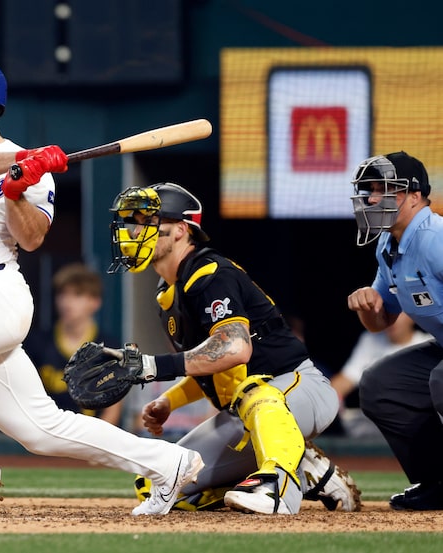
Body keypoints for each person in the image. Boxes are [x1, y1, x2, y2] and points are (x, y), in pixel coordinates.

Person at [0, 52, 201, 512]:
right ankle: (170, 462)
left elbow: (30, 238)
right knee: (41, 428)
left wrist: (15, 191)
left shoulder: (35, 176)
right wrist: (17, 161)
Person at [106, 183, 359, 515]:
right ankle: (309, 469)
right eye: (133, 222)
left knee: (255, 392)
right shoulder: (169, 291)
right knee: (161, 484)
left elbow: (235, 349)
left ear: (181, 230)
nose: (134, 231)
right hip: (245, 412)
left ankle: (277, 489)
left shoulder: (210, 273)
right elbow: (212, 363)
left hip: (297, 387)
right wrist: (170, 399)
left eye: (146, 222)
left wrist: (152, 366)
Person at [347, 151, 443, 510]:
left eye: (384, 189)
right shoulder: (389, 245)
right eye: (369, 190)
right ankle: (436, 482)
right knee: (380, 384)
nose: (372, 199)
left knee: (442, 379)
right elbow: (382, 321)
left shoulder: (435, 238)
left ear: (415, 196)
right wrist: (369, 306)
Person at [24, 262, 124, 425]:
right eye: (62, 294)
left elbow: (113, 409)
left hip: (93, 440)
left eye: (77, 295)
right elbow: (26, 398)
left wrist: (95, 443)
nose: (66, 302)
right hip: (48, 437)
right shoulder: (37, 343)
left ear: (95, 302)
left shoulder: (109, 348)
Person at [331, 312, 432, 438]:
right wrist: (323, 401)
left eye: (398, 313)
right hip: (373, 427)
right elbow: (345, 380)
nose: (391, 318)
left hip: (417, 427)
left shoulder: (430, 343)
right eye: (386, 312)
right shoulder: (370, 340)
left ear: (412, 316)